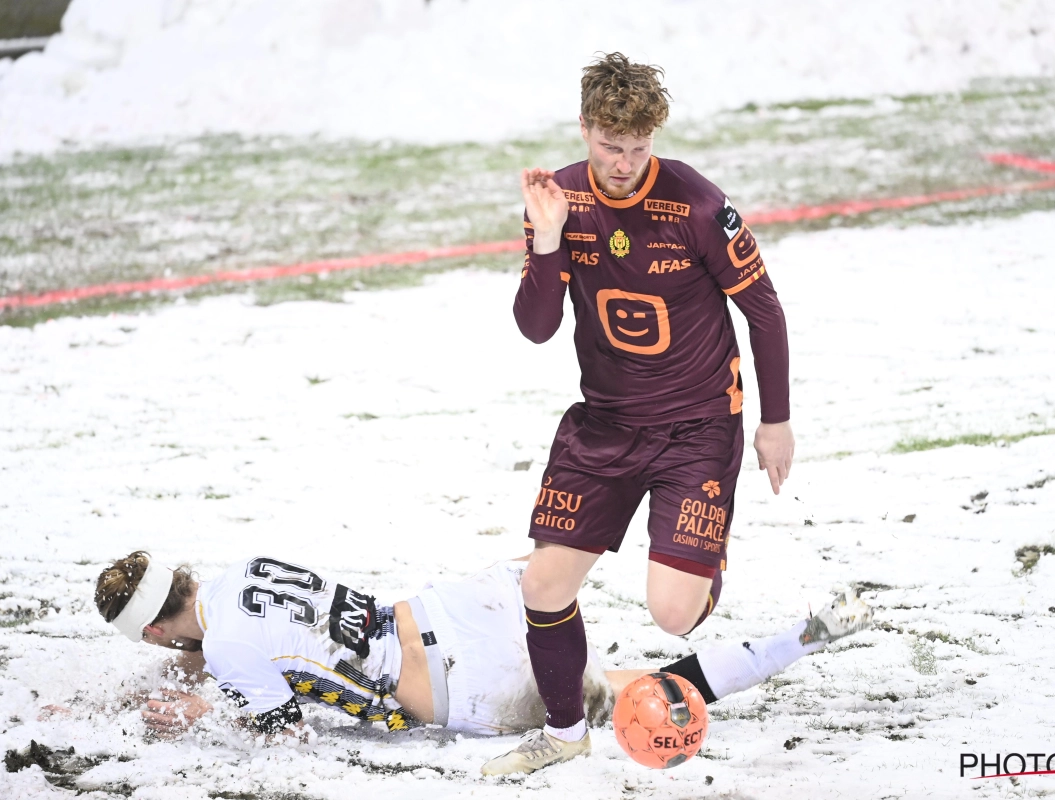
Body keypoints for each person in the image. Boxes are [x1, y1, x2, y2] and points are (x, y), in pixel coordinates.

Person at [499, 52, 794, 773]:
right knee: (541, 585)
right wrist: (544, 239)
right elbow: (535, 328)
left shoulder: (695, 205)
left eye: (638, 148)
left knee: (672, 613)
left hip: (698, 428)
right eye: (610, 146)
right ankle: (565, 736)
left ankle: (703, 551)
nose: (625, 162)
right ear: (585, 129)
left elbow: (764, 310)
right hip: (604, 425)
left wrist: (775, 420)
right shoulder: (559, 198)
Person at [90, 551, 872, 744]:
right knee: (623, 677)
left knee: (639, 698)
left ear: (152, 632)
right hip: (471, 606)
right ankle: (795, 635)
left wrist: (184, 711)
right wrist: (195, 668)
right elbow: (260, 642)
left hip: (469, 685)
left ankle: (796, 639)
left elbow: (274, 731)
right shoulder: (237, 577)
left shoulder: (223, 650)